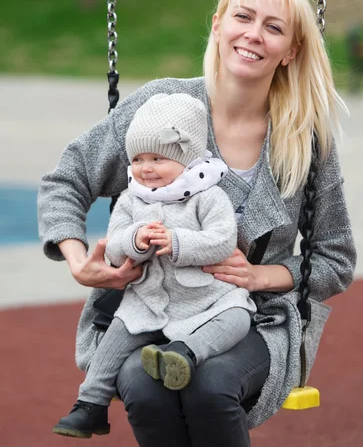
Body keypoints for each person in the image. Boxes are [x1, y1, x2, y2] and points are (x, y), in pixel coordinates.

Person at [38, 0, 356, 447]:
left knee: (211, 386)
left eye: (273, 27)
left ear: (291, 50)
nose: (253, 35)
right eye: (243, 17)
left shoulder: (304, 139)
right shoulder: (162, 108)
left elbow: (335, 258)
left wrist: (262, 276)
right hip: (153, 304)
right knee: (145, 387)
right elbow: (67, 179)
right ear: (217, 24)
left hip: (251, 315)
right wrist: (80, 261)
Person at [52, 93, 256, 439]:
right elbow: (114, 245)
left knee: (237, 315)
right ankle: (90, 405)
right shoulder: (132, 200)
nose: (145, 168)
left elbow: (223, 240)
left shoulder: (207, 196)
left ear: (186, 159)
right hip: (147, 302)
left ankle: (185, 352)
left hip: (206, 301)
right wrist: (135, 240)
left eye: (158, 158)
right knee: (115, 336)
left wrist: (177, 242)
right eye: (137, 159)